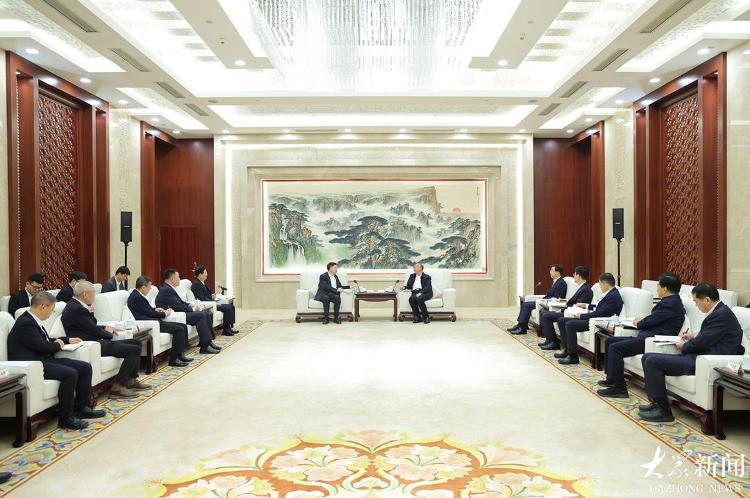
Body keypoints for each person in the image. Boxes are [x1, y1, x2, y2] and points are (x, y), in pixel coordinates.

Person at [639, 283, 745, 422]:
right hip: (699, 356)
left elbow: (702, 343)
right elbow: (708, 336)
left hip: (704, 361)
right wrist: (693, 336)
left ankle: (663, 411)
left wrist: (684, 346)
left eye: (696, 301)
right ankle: (656, 403)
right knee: (647, 357)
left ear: (707, 300)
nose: (696, 305)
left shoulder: (721, 315)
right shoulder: (720, 312)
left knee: (652, 361)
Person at [7, 292, 105, 430]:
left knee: (85, 367)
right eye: (52, 309)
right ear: (43, 306)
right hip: (33, 364)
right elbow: (43, 346)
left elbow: (45, 340)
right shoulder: (25, 323)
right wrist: (58, 345)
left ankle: (81, 408)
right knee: (70, 374)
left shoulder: (32, 320)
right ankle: (66, 419)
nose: (52, 312)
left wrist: (66, 340)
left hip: (43, 359)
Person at [597, 273, 685, 398]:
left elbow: (651, 321)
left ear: (665, 289)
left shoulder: (671, 304)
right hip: (646, 337)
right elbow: (655, 318)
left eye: (658, 286)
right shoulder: (670, 301)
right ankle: (611, 379)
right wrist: (642, 321)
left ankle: (619, 388)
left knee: (615, 348)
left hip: (652, 340)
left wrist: (639, 322)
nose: (657, 289)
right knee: (610, 341)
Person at [61, 281, 149, 398]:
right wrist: (108, 333)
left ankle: (131, 380)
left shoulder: (76, 305)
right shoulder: (76, 309)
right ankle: (118, 387)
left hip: (95, 340)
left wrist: (107, 328)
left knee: (136, 343)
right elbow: (94, 330)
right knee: (133, 349)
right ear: (85, 294)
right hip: (91, 344)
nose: (94, 297)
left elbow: (90, 326)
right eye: (93, 293)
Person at [554, 272, 623, 365]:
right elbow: (599, 307)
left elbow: (600, 313)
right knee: (562, 320)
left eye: (600, 284)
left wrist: (582, 316)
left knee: (570, 324)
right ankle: (566, 350)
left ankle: (573, 356)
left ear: (606, 284)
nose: (600, 286)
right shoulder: (610, 293)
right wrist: (586, 305)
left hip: (598, 322)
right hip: (594, 318)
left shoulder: (613, 296)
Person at [128, 276, 193, 367]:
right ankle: (174, 359)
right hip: (151, 324)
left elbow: (147, 310)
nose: (150, 289)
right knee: (179, 329)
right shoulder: (136, 297)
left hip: (153, 320)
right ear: (143, 287)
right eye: (149, 287)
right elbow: (149, 313)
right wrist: (164, 313)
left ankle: (181, 355)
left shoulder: (137, 295)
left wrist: (156, 309)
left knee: (183, 326)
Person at [156, 268, 221, 354]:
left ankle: (208, 342)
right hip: (175, 316)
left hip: (180, 313)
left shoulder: (169, 288)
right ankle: (205, 346)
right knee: (201, 315)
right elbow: (177, 307)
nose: (179, 279)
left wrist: (191, 305)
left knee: (205, 313)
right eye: (178, 277)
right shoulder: (166, 290)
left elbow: (181, 303)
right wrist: (193, 309)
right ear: (172, 279)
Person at [538, 266, 593, 350]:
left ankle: (553, 342)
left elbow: (577, 306)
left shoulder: (586, 289)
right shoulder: (581, 287)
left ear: (579, 276)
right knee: (544, 313)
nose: (573, 275)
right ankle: (549, 340)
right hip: (568, 311)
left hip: (572, 314)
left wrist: (563, 310)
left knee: (546, 316)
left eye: (575, 274)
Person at [508, 264, 567, 335]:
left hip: (547, 304)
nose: (550, 272)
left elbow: (556, 298)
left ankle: (522, 328)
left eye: (552, 270)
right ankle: (520, 325)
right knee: (524, 304)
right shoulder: (556, 282)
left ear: (557, 272)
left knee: (526, 305)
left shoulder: (561, 283)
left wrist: (543, 300)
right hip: (543, 302)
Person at [191, 266, 237, 336]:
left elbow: (205, 295)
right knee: (228, 308)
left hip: (211, 302)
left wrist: (211, 296)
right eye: (205, 273)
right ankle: (226, 330)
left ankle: (229, 328)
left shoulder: (201, 282)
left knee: (231, 306)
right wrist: (212, 301)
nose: (207, 274)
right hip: (208, 305)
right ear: (200, 275)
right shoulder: (196, 284)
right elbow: (201, 298)